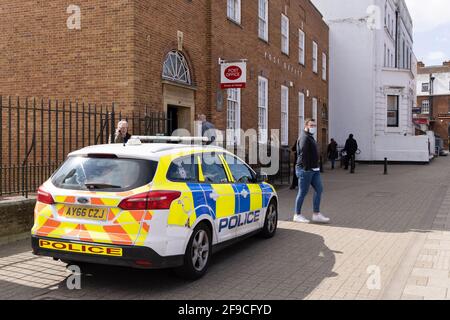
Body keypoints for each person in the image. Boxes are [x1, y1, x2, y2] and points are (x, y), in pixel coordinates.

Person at [293, 119, 330, 224]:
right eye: (311, 125)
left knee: (319, 189)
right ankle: (297, 214)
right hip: (306, 170)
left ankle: (316, 214)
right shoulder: (304, 137)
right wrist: (306, 168)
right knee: (302, 192)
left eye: (314, 125)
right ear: (306, 125)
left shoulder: (310, 137)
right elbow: (303, 155)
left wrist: (316, 166)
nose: (313, 127)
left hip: (314, 169)